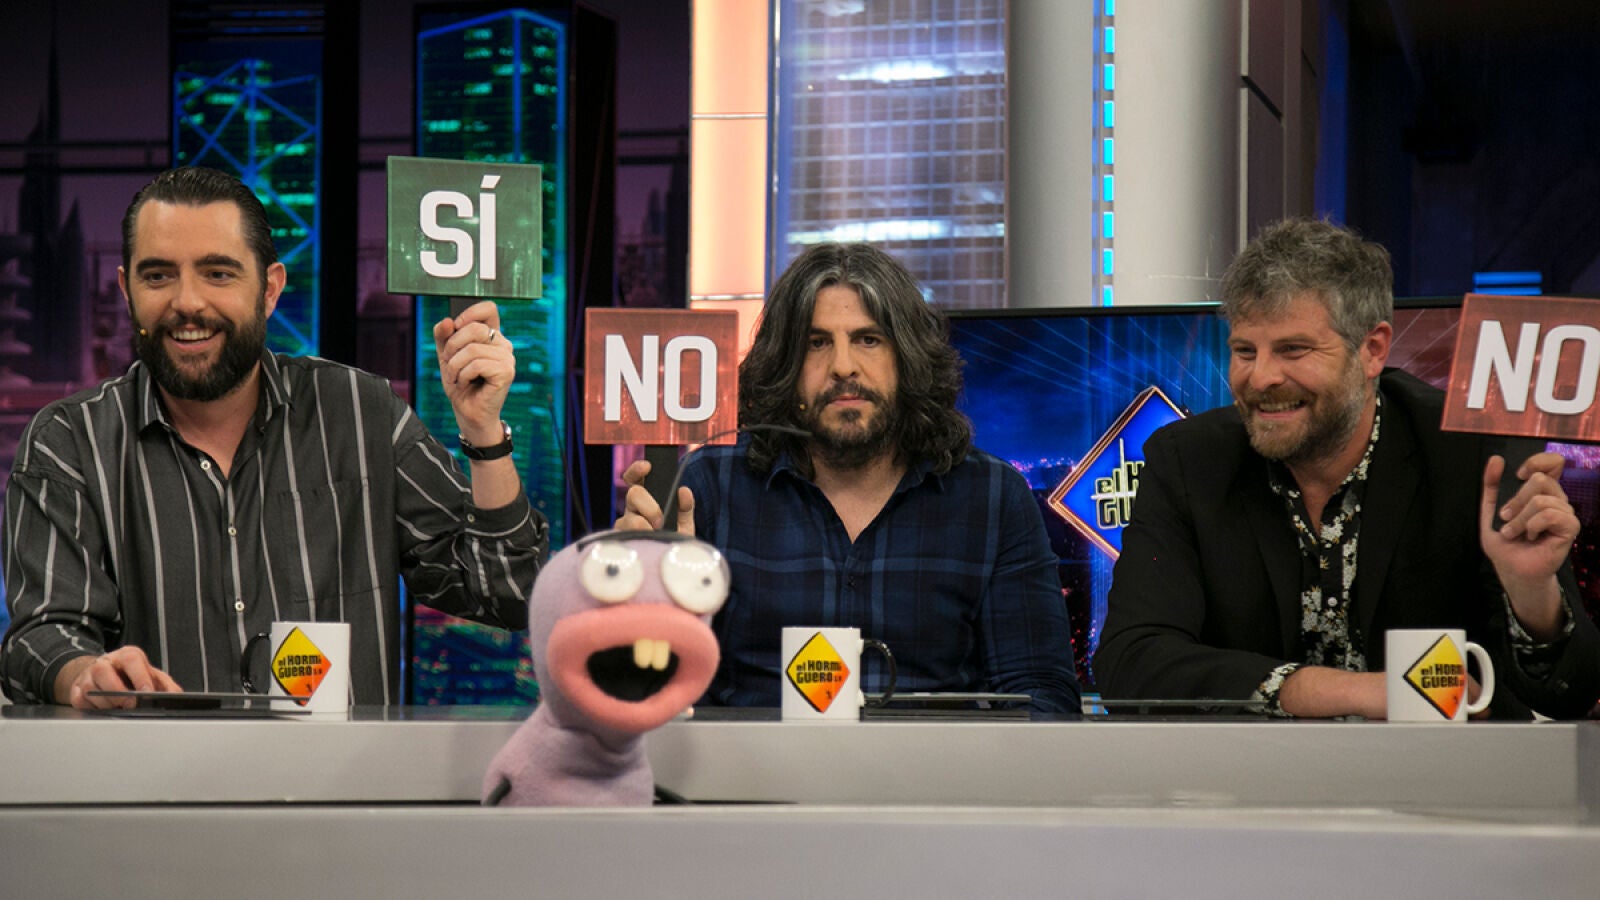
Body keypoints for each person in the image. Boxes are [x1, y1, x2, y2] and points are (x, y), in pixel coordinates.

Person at [1, 166, 548, 708]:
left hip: (340, 769)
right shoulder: (69, 442)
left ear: (269, 289)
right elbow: (40, 635)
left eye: (218, 273)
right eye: (159, 276)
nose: (187, 302)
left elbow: (507, 593)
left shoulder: (362, 413)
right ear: (126, 290)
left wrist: (483, 432)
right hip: (154, 766)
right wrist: (84, 674)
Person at [1095, 217, 1600, 719]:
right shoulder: (1188, 461)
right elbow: (1130, 662)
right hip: (1250, 768)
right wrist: (1352, 692)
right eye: (1244, 351)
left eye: (1293, 350)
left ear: (1372, 350)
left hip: (1440, 769)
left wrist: (1531, 593)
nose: (1261, 377)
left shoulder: (1471, 457)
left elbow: (1568, 697)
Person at [616, 242, 1081, 714]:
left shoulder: (992, 496)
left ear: (908, 359)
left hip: (932, 762)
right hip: (749, 762)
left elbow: (1042, 695)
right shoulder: (706, 487)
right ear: (785, 365)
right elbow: (647, 699)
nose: (843, 367)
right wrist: (645, 602)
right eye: (817, 343)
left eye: (868, 339)